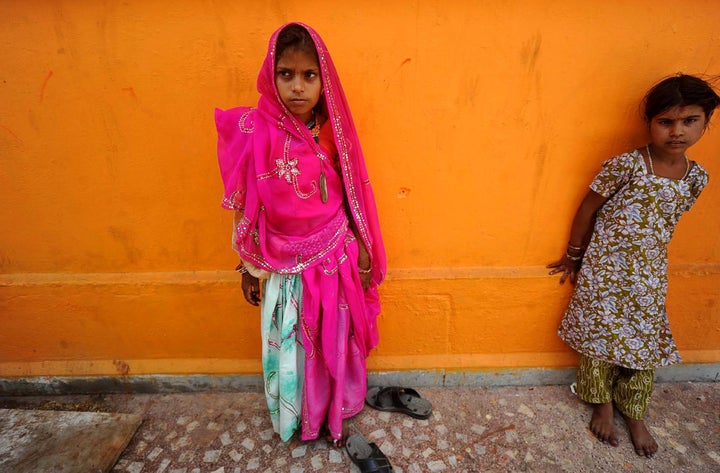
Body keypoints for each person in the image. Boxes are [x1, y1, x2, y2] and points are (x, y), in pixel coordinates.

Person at [215, 23, 386, 447]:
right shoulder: (253, 131)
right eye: (286, 74)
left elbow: (354, 195)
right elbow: (243, 206)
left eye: (309, 75)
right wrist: (247, 267)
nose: (297, 87)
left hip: (335, 259)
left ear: (323, 79)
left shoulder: (333, 132)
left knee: (334, 340)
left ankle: (337, 414)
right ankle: (300, 417)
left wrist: (363, 252)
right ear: (270, 76)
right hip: (284, 268)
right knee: (295, 347)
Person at [547, 74, 719, 458]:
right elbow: (589, 207)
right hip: (605, 268)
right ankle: (601, 402)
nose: (677, 132)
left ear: (706, 121)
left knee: (644, 340)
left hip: (649, 273)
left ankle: (635, 410)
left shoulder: (697, 178)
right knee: (599, 334)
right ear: (650, 123)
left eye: (689, 121)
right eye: (665, 122)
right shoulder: (626, 165)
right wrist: (574, 255)